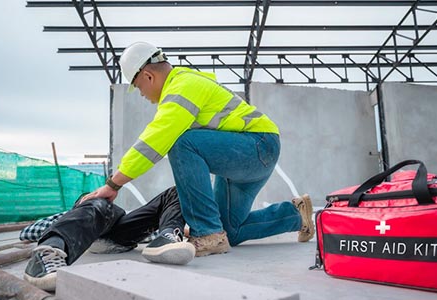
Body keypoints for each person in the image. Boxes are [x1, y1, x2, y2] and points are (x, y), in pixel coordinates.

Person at [81, 41, 315, 257]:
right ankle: (295, 214)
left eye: (138, 87)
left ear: (148, 76)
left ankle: (207, 233)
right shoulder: (184, 84)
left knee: (182, 142)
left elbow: (154, 141)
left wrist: (114, 184)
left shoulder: (182, 87)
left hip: (257, 146)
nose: (142, 94)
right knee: (229, 232)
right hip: (245, 157)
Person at [23, 186, 195, 291]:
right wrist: (82, 207)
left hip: (122, 232)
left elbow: (149, 231)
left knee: (176, 191)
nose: (96, 195)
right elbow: (27, 233)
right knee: (100, 204)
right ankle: (44, 254)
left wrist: (178, 230)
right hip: (92, 232)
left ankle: (168, 236)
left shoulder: (121, 213)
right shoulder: (70, 218)